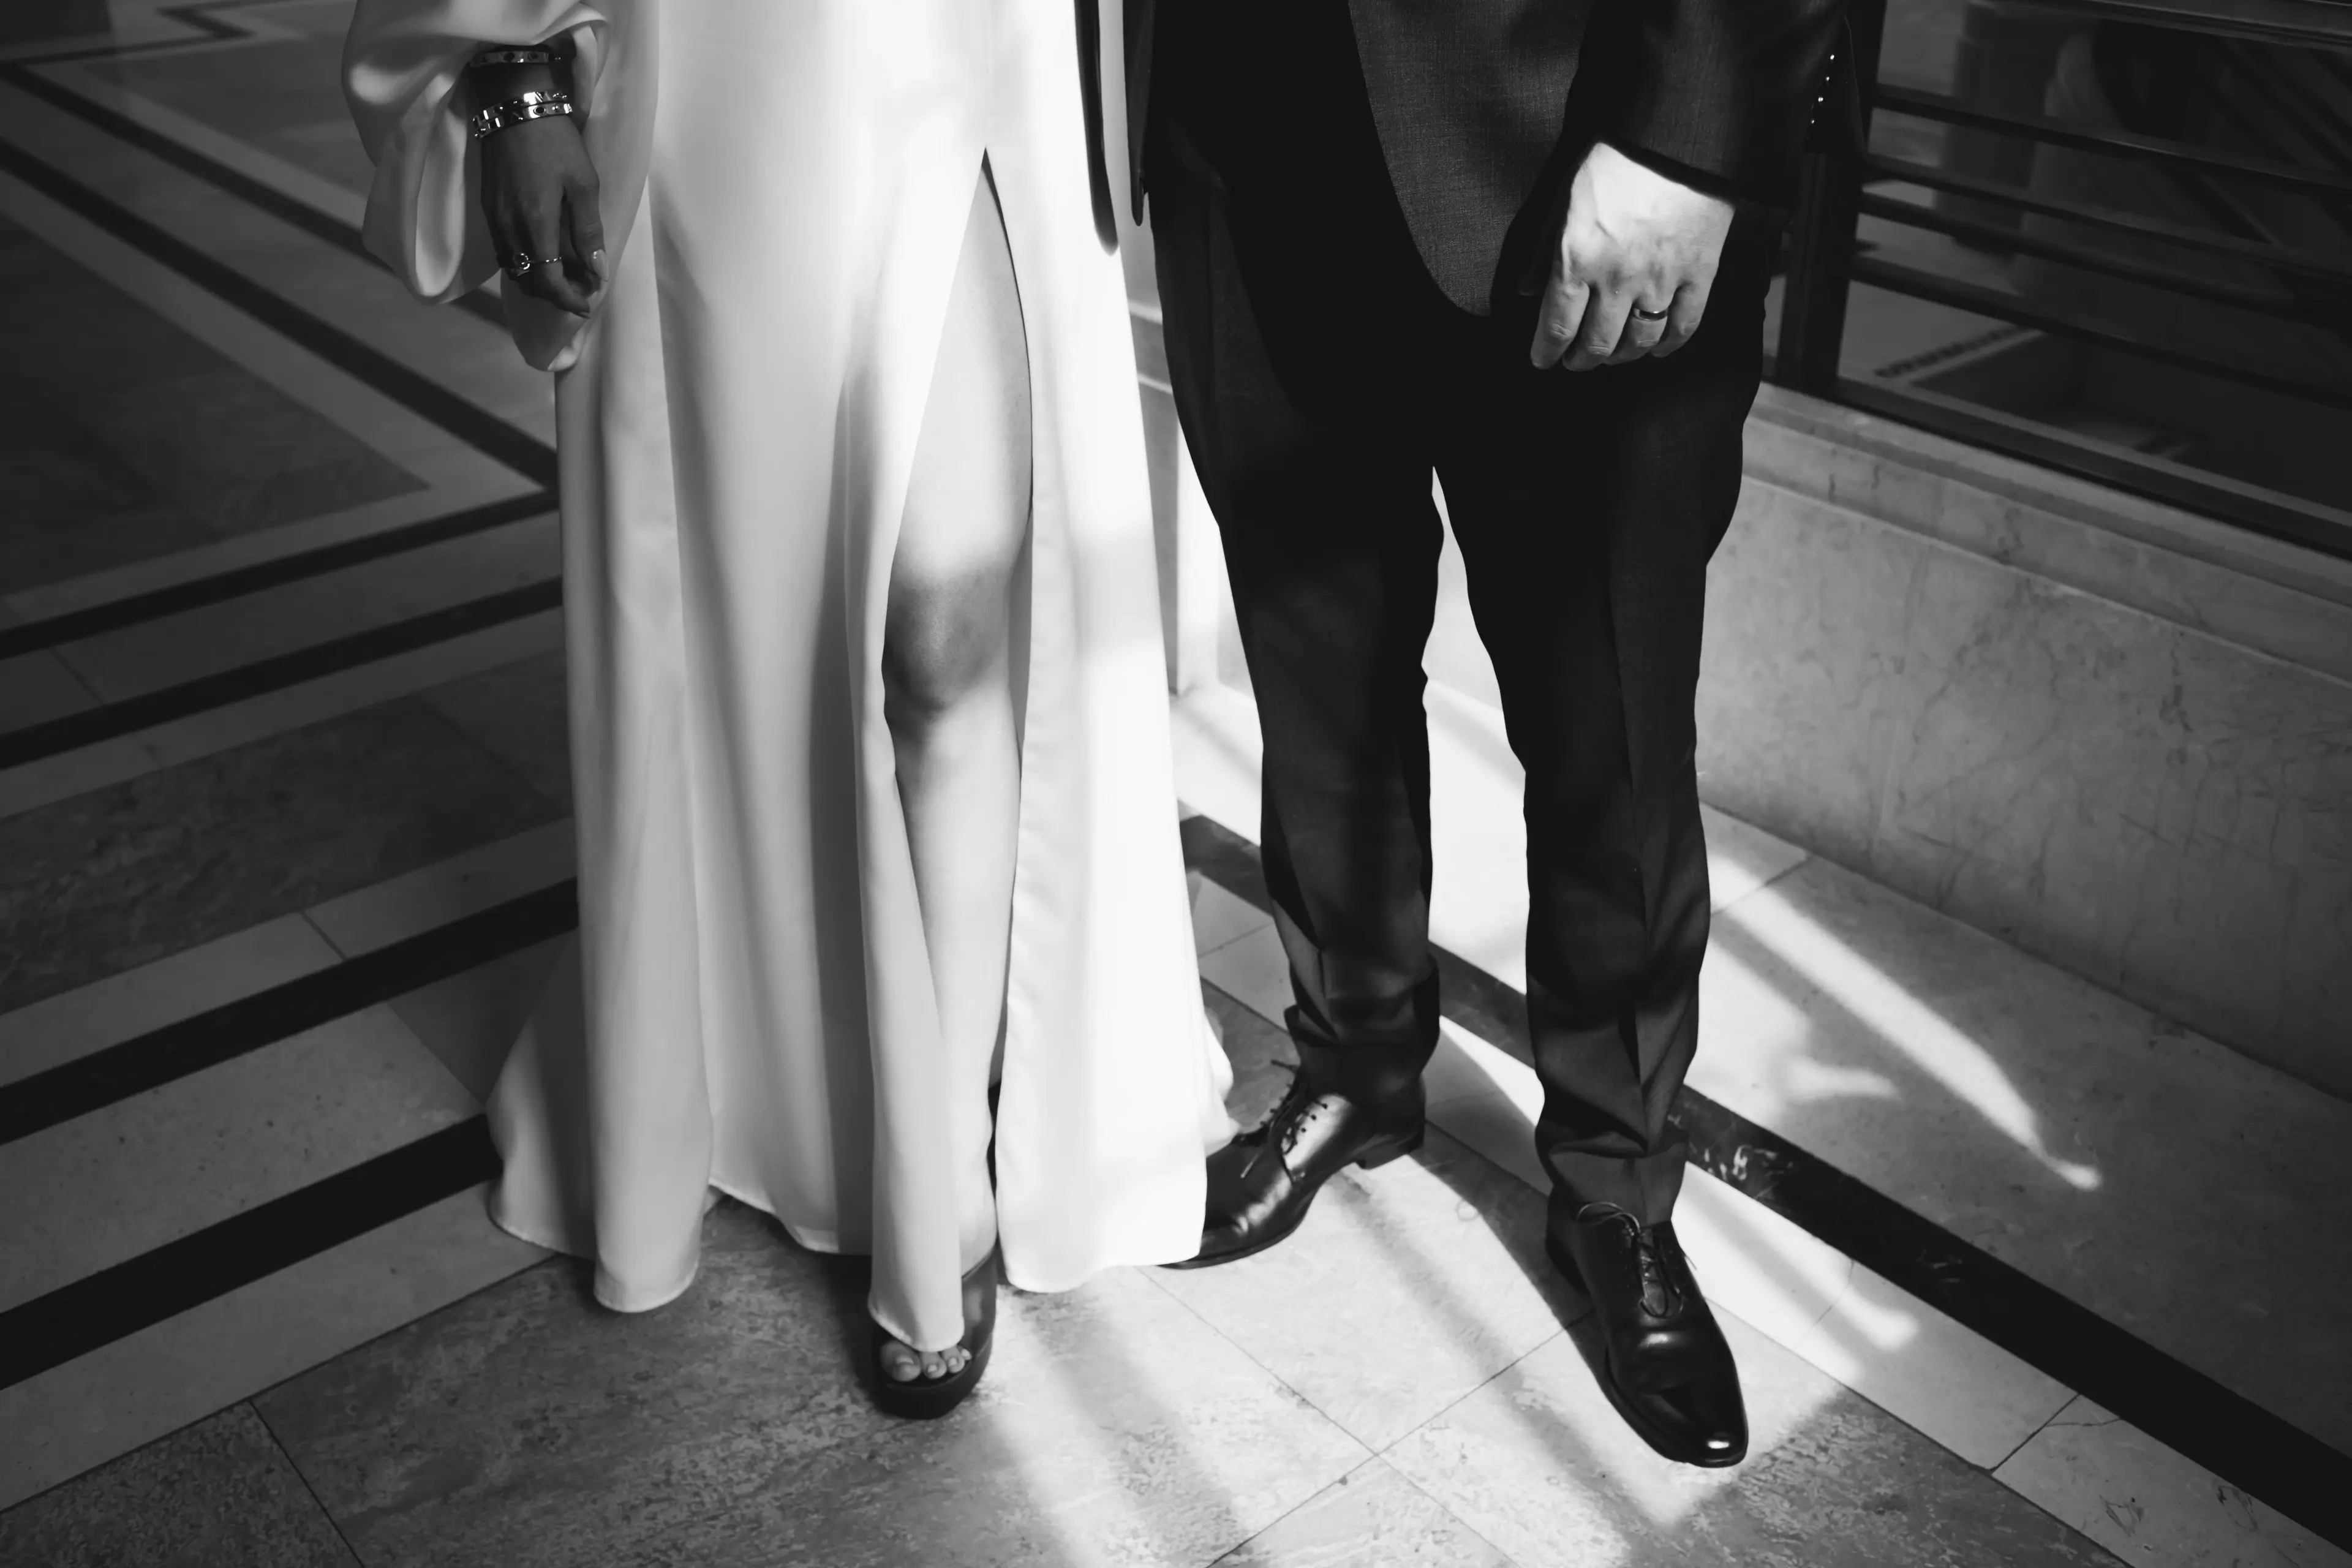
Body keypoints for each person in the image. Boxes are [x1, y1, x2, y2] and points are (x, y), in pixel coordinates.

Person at [344, 0, 1233, 1420]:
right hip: (732, 56)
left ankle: (940, 1144)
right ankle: (787, 1082)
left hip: (988, 40)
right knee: (756, 584)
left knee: (948, 611)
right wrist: (515, 74)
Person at [1126, 0, 1851, 1465]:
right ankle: (1356, 1060)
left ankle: (1619, 1186)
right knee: (1316, 679)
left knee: (1611, 725)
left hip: (1578, 140)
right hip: (1242, 120)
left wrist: (1690, 139)